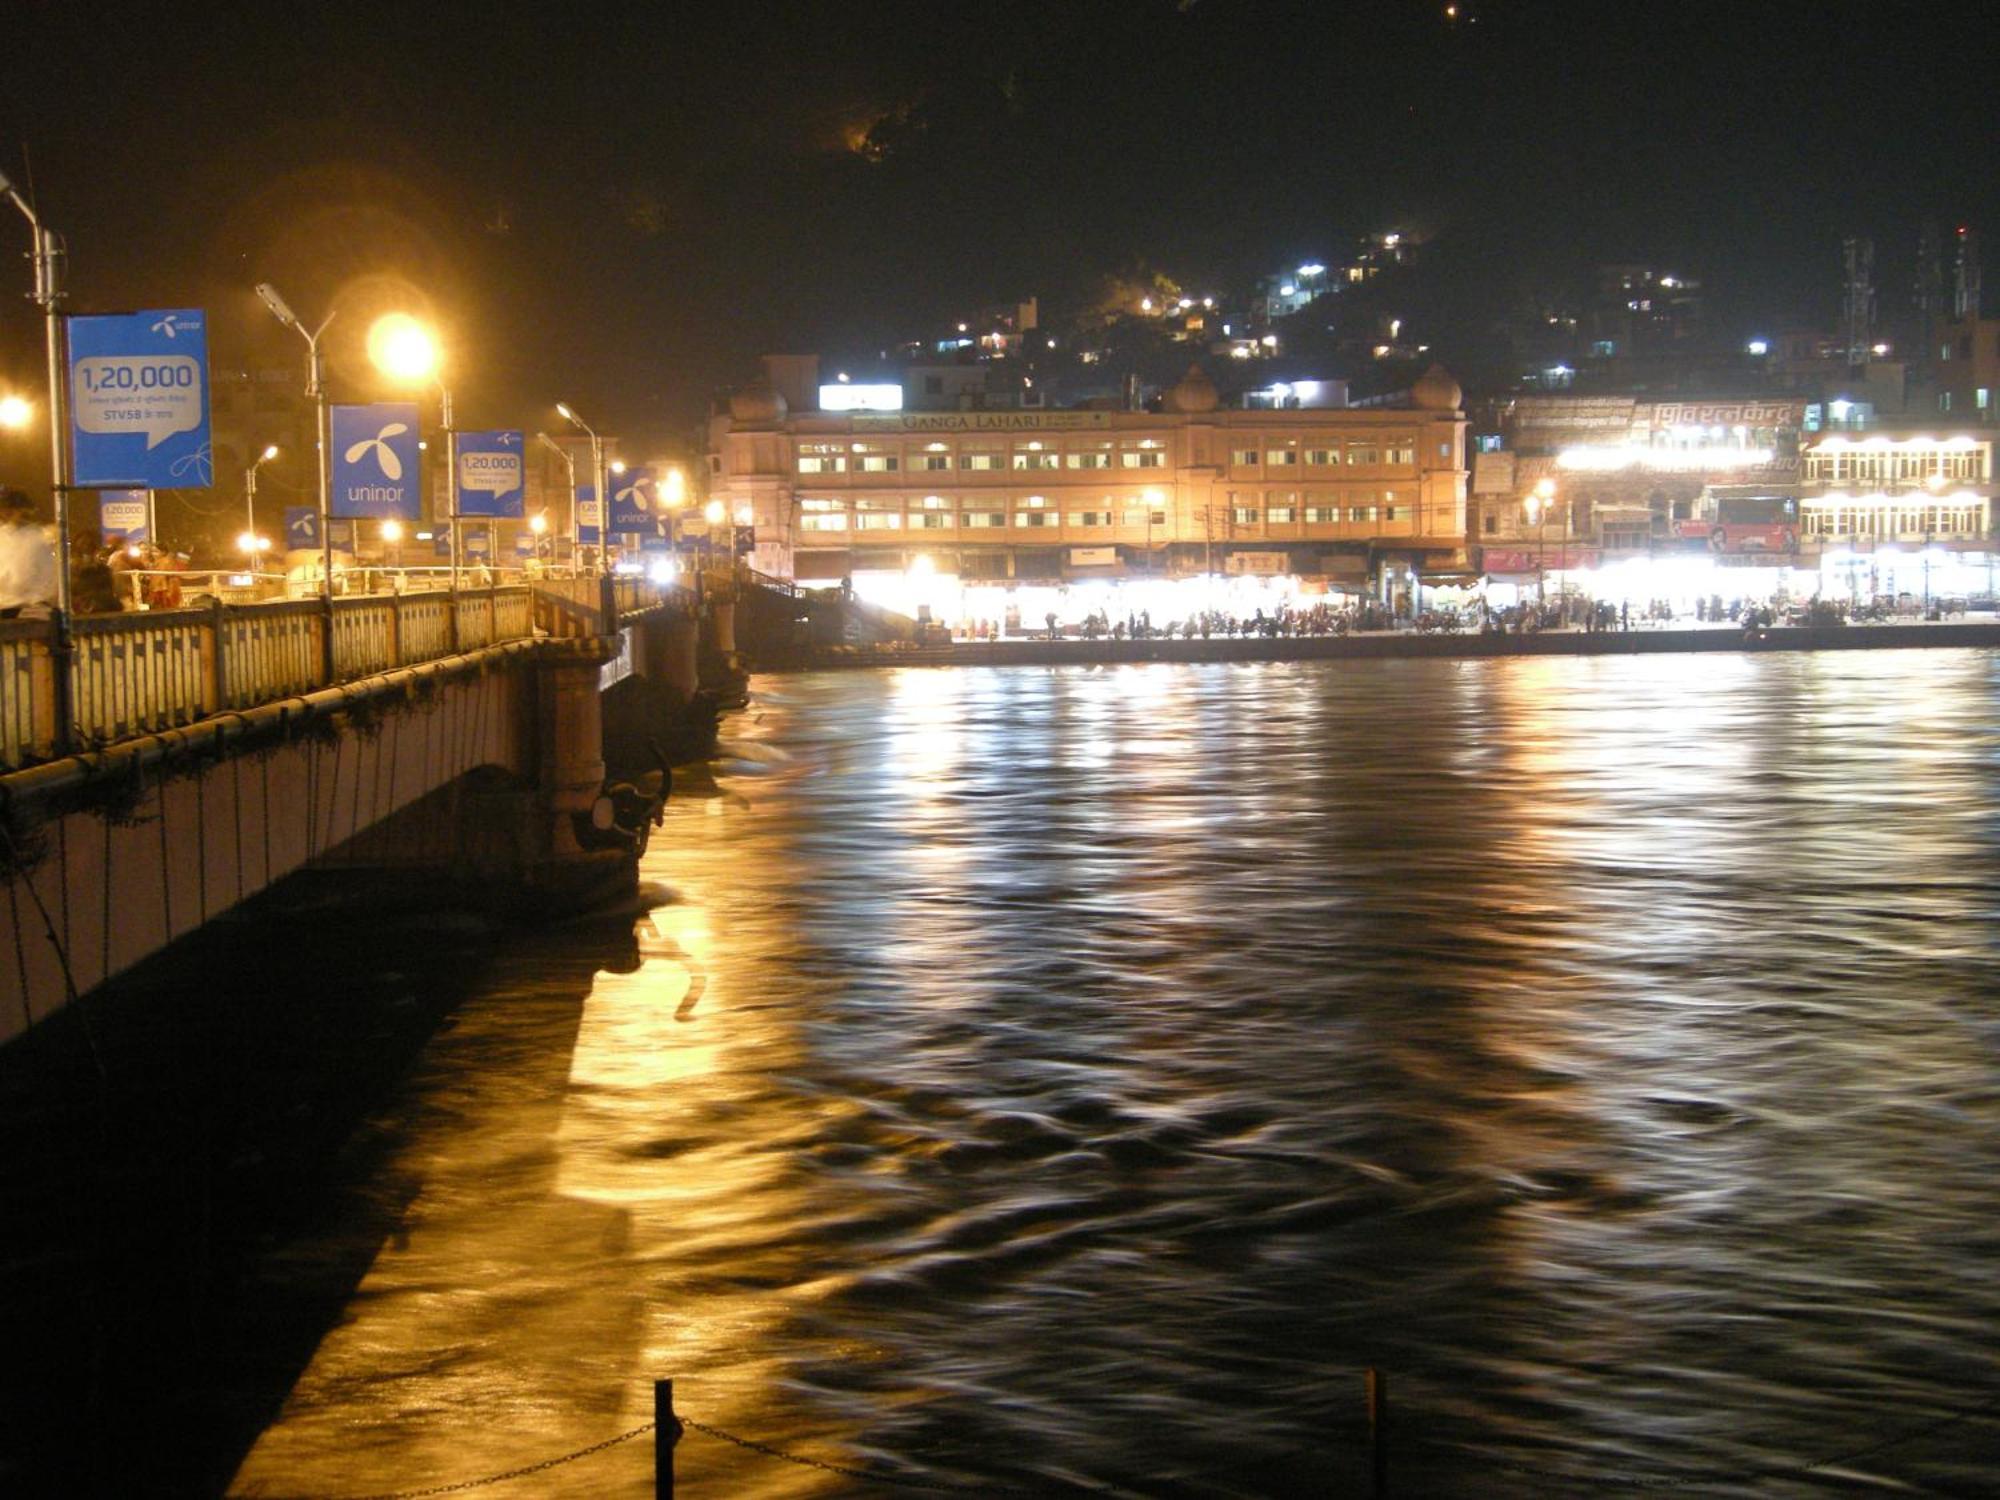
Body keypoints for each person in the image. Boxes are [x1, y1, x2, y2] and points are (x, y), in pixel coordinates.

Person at [0, 487, 56, 616]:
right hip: (4, 605)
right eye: (5, 508)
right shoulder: (1, 535)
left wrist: (40, 600)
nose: (9, 512)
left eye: (14, 508)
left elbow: (51, 572)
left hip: (33, 607)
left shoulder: (43, 535)